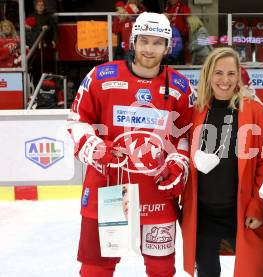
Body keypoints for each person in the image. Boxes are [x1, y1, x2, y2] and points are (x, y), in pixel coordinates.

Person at [67, 12, 194, 277]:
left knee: (161, 270)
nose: (150, 49)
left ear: (167, 46)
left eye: (158, 42)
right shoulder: (101, 76)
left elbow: (187, 134)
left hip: (157, 194)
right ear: (133, 41)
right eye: (144, 41)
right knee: (95, 270)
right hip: (108, 188)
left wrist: (178, 160)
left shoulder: (180, 86)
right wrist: (92, 145)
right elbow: (78, 120)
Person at [181, 47, 263, 277]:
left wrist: (258, 206)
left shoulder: (252, 110)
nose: (225, 80)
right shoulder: (196, 110)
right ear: (208, 75)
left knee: (254, 271)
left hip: (241, 212)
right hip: (203, 214)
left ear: (239, 76)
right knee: (207, 272)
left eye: (231, 73)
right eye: (218, 73)